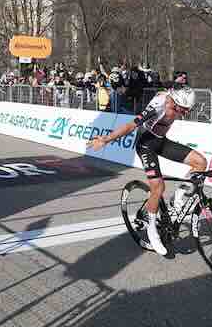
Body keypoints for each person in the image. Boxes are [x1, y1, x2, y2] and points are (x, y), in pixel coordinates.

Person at [87, 72, 203, 256]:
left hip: (161, 141)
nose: (186, 113)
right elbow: (131, 125)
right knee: (158, 187)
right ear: (174, 102)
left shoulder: (177, 98)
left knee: (200, 163)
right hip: (145, 144)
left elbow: (172, 85)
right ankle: (151, 230)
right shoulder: (158, 106)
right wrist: (106, 139)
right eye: (183, 109)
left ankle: (178, 198)